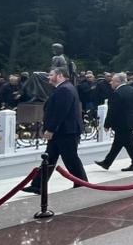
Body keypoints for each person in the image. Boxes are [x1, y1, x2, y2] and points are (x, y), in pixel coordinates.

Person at [22, 66, 88, 194]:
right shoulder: (64, 88)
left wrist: (51, 129)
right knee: (49, 158)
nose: (48, 77)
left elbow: (60, 112)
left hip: (65, 131)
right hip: (63, 131)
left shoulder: (64, 90)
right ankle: (37, 185)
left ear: (60, 76)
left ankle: (81, 183)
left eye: (51, 75)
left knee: (70, 158)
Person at [96, 72, 133, 171]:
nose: (110, 83)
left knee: (126, 143)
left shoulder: (117, 93)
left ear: (118, 82)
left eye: (112, 81)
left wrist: (107, 124)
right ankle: (107, 162)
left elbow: (113, 110)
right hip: (131, 121)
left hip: (122, 123)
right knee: (123, 143)